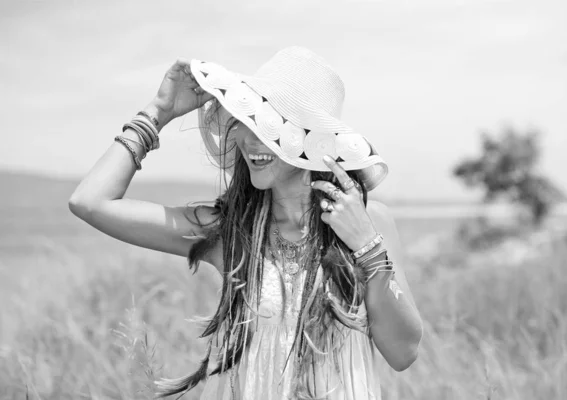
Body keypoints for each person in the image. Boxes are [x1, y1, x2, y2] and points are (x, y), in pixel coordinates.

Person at [69, 46, 423, 399]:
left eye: (271, 127)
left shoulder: (370, 221)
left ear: (311, 140)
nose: (251, 140)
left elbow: (403, 353)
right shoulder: (229, 231)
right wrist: (157, 113)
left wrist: (368, 249)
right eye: (247, 122)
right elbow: (90, 202)